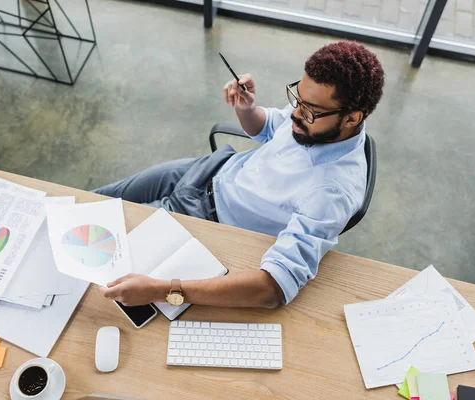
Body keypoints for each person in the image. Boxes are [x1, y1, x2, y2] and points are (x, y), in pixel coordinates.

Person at [93, 41, 385, 309]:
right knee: (97, 201)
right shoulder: (313, 114)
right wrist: (247, 109)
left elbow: (272, 289)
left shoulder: (332, 192)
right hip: (209, 170)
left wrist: (164, 290)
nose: (296, 113)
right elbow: (268, 127)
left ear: (351, 118)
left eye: (309, 111)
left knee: (101, 250)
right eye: (297, 98)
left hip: (205, 219)